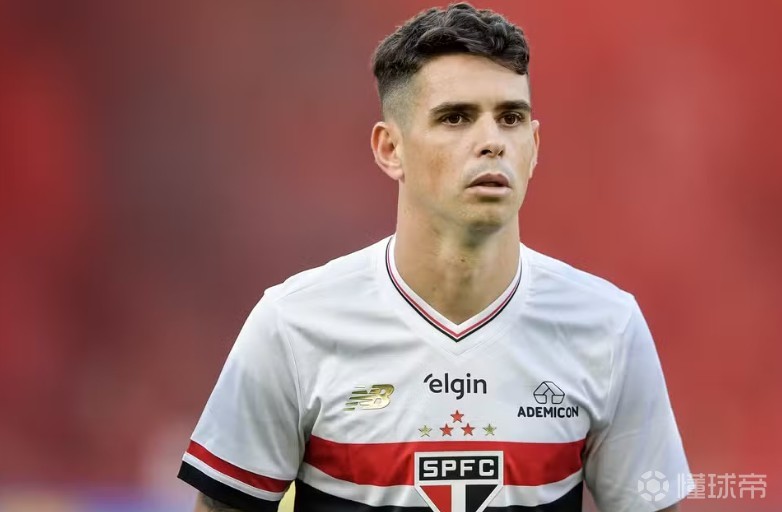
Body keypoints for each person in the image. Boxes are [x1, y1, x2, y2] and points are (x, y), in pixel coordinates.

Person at [178, 3, 692, 511]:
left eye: (511, 118)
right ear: (390, 149)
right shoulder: (292, 326)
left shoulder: (608, 327)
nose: (492, 142)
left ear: (534, 146)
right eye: (456, 118)